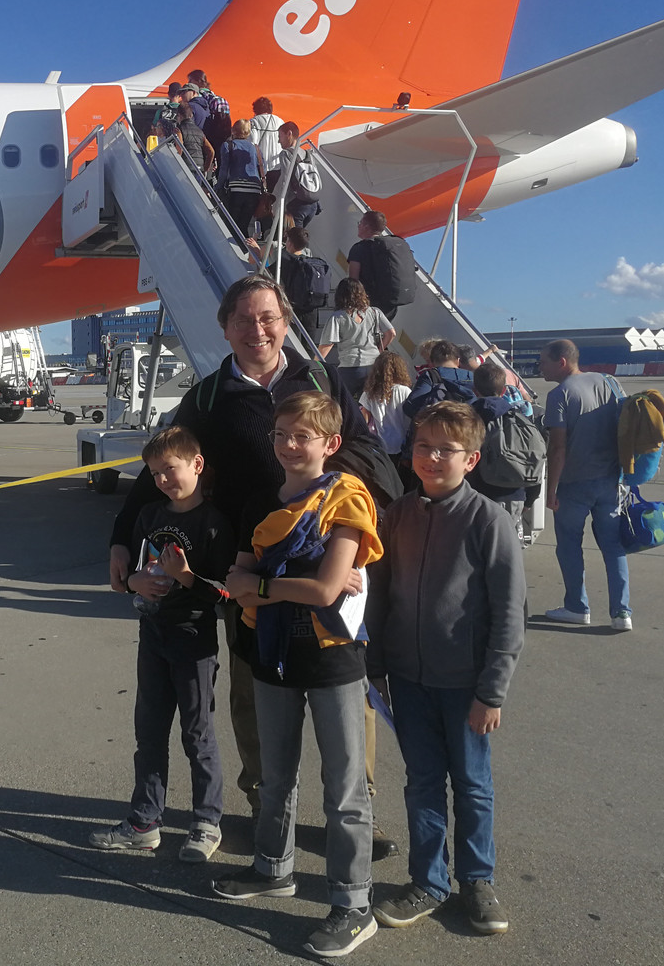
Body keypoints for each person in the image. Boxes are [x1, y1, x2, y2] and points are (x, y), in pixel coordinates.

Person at [108, 276, 398, 863]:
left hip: (326, 568)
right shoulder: (210, 396)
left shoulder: (319, 379)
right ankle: (269, 808)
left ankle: (356, 815)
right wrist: (121, 537)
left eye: (267, 317)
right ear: (225, 328)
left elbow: (369, 452)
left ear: (286, 323)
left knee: (346, 699)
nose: (256, 329)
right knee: (253, 694)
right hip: (249, 568)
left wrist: (334, 516)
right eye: (242, 319)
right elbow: (164, 460)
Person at [214, 391, 383, 958]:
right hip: (272, 652)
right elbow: (235, 578)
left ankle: (354, 905)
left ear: (330, 443)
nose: (289, 445)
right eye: (281, 434)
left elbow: (325, 590)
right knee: (275, 775)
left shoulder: (345, 498)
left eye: (302, 437)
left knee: (344, 787)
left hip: (332, 659)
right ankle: (272, 868)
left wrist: (262, 585)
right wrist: (272, 585)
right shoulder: (262, 501)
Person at [367, 401, 525, 936]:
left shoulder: (488, 520)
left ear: (471, 459)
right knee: (423, 783)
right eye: (422, 446)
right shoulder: (398, 515)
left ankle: (477, 881)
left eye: (446, 450)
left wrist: (492, 692)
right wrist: (377, 666)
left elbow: (509, 612)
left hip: (466, 684)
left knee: (473, 785)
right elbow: (379, 594)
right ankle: (428, 882)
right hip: (408, 679)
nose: (431, 458)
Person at [88, 426, 234, 862]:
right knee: (149, 731)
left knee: (197, 733)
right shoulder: (150, 515)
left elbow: (225, 593)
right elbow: (136, 570)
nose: (163, 480)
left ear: (197, 464)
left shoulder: (214, 523)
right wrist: (134, 582)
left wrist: (186, 577)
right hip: (152, 635)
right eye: (154, 473)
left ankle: (206, 822)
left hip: (193, 641)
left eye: (169, 469)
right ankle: (144, 822)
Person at [539, 339, 630, 630]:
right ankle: (621, 613)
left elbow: (558, 448)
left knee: (569, 546)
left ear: (561, 362)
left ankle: (577, 607)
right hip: (610, 481)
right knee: (613, 547)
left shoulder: (559, 394)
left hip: (574, 483)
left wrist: (551, 489)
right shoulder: (609, 382)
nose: (540, 367)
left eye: (544, 362)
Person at [468, 362, 535, 542]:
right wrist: (530, 498)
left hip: (476, 494)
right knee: (507, 547)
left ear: (475, 390)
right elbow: (532, 455)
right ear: (504, 390)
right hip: (514, 494)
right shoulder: (519, 417)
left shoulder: (467, 419)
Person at [316, 279, 396, 400]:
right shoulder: (375, 312)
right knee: (367, 404)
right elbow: (391, 333)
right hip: (373, 365)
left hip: (349, 367)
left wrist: (313, 363)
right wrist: (379, 350)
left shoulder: (338, 317)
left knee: (339, 401)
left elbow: (326, 345)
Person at [348, 211, 416, 320]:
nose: (358, 226)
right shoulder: (390, 246)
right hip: (390, 304)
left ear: (366, 226)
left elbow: (353, 281)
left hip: (368, 303)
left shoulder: (359, 248)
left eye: (360, 223)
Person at [359, 351, 413, 459]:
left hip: (379, 445)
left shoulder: (369, 393)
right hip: (402, 443)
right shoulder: (405, 391)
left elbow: (364, 420)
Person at [266, 122, 320, 228]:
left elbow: (286, 180)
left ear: (289, 134)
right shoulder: (308, 155)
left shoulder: (286, 153)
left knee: (292, 235)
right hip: (312, 204)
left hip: (296, 203)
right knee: (299, 234)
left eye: (280, 136)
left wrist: (277, 205)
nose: (279, 141)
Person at [217, 118, 266, 236]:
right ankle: (245, 245)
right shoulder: (255, 148)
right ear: (248, 132)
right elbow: (263, 168)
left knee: (231, 224)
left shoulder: (228, 145)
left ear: (233, 130)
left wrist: (218, 187)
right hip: (254, 190)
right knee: (243, 224)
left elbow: (224, 169)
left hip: (236, 189)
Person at [187, 68, 232, 150]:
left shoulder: (198, 97)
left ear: (198, 81)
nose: (188, 83)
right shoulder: (219, 98)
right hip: (223, 137)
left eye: (190, 80)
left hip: (207, 137)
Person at [250, 96, 285, 172]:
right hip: (278, 166)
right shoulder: (280, 121)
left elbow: (252, 142)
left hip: (261, 168)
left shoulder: (253, 122)